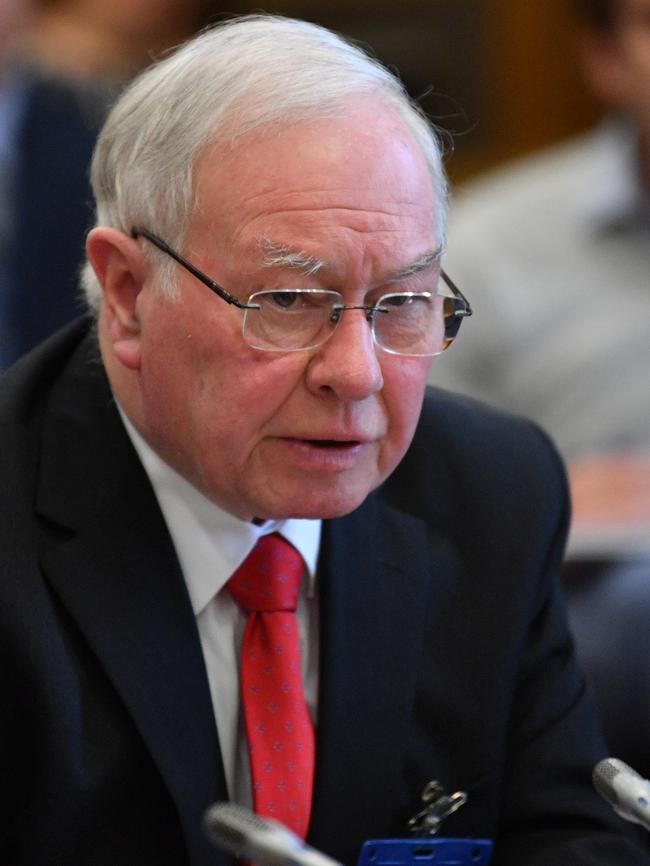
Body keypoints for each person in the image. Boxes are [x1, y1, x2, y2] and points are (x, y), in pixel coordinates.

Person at [0, 14, 648, 866]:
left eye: (403, 303)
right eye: (288, 302)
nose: (357, 372)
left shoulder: (492, 492)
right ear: (127, 293)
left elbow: (567, 836)